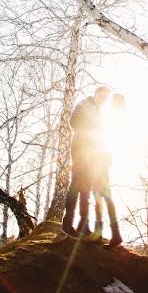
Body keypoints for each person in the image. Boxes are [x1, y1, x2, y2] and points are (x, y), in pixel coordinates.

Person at [61, 85, 110, 237]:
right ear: (96, 93)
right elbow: (73, 122)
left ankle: (83, 225)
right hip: (80, 150)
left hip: (93, 154)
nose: (103, 100)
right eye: (102, 96)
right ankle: (67, 223)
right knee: (76, 183)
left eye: (105, 98)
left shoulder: (99, 112)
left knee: (87, 188)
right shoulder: (84, 105)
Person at [86, 147, 122, 248]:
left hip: (99, 172)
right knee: (105, 200)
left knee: (102, 200)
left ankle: (101, 234)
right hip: (100, 171)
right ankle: (114, 234)